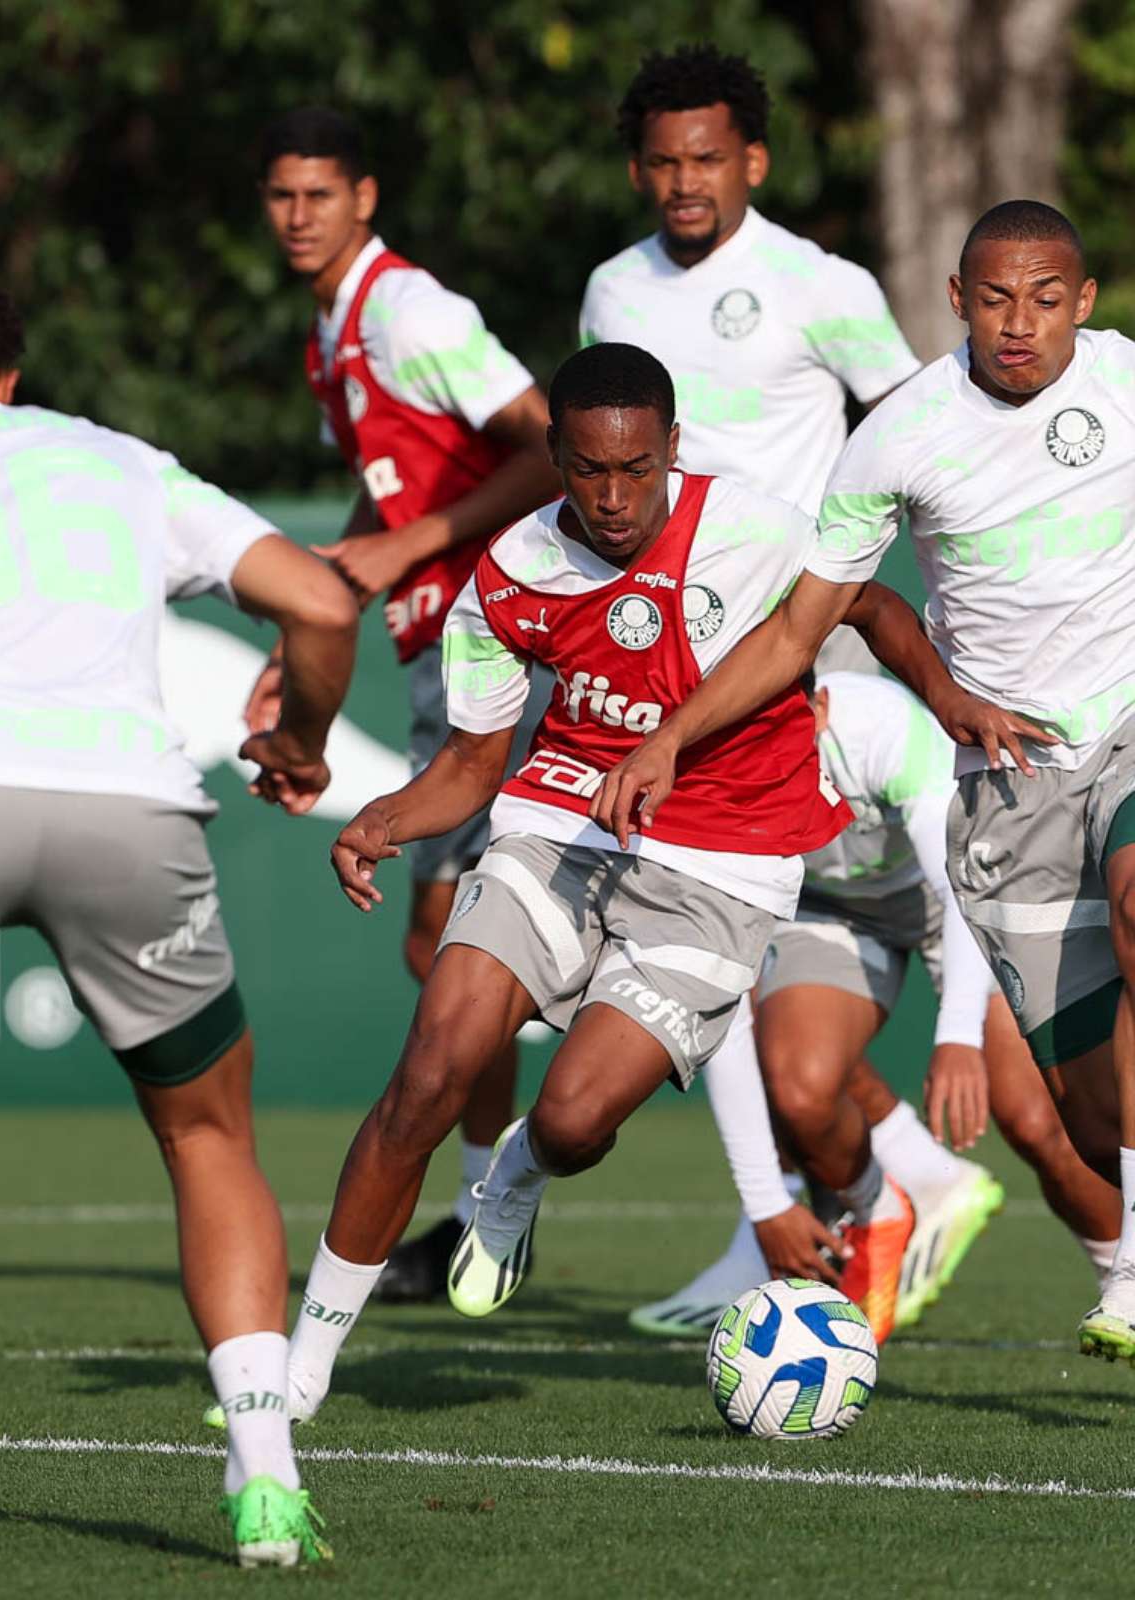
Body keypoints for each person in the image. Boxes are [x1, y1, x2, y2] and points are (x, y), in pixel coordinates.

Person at [281, 341, 881, 1424]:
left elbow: (863, 608)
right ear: (554, 453)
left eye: (637, 469)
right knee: (430, 1071)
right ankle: (299, 1368)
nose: (613, 497)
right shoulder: (511, 570)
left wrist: (909, 697)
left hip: (723, 873)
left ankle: (515, 1181)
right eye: (589, 469)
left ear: (673, 450)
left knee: (568, 1122)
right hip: (555, 838)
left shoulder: (759, 531)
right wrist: (381, 820)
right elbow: (471, 764)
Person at [588, 200, 1135, 1363]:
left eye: (1046, 298)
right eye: (994, 298)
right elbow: (806, 629)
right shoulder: (897, 436)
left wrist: (947, 1037)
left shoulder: (1127, 383)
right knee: (1083, 1117)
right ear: (954, 302)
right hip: (1012, 779)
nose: (1019, 322)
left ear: (1084, 303)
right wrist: (669, 737)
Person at [0, 264, 359, 1566]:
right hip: (124, 809)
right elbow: (326, 601)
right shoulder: (115, 460)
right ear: (14, 377)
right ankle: (267, 1476)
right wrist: (299, 738)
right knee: (207, 1136)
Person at [253, 107, 561, 1301]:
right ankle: (491, 1215)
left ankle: (499, 1211)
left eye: (318, 194)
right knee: (442, 943)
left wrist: (405, 549)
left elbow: (551, 446)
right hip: (447, 654)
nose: (297, 216)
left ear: (364, 198)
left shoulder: (410, 312)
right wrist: (313, 608)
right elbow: (389, 505)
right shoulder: (330, 328)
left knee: (480, 942)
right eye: (281, 195)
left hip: (510, 647)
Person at [631, 670, 1120, 1340]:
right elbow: (717, 1002)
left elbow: (955, 886)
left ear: (821, 703)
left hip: (960, 893)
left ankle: (1119, 1281)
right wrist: (765, 1202)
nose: (761, 739)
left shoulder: (880, 727)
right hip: (834, 916)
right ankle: (882, 1205)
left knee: (1034, 1120)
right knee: (799, 1088)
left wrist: (957, 1039)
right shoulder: (704, 782)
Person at [580, 44, 920, 519]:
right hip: (659, 582)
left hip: (795, 578)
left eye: (707, 159)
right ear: (637, 171)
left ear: (754, 163)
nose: (685, 183)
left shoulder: (823, 281)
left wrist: (847, 553)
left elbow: (916, 431)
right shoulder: (611, 288)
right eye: (664, 163)